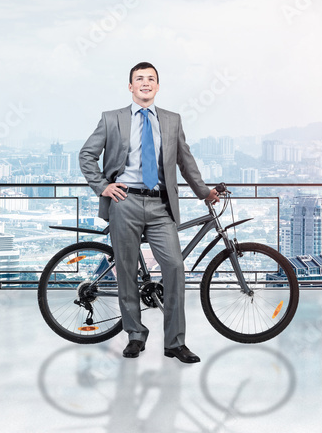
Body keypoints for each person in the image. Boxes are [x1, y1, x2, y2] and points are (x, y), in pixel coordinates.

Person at [79, 61, 218, 363]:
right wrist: (103, 186)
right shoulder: (111, 119)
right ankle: (135, 335)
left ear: (157, 86)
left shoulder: (171, 120)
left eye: (151, 79)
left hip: (160, 205)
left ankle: (175, 343)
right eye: (139, 79)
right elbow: (87, 155)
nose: (145, 83)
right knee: (126, 272)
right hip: (124, 202)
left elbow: (186, 161)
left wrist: (204, 192)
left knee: (175, 268)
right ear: (130, 87)